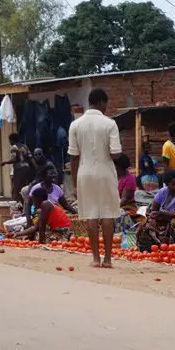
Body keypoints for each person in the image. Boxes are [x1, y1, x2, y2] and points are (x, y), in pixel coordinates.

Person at [68, 87, 121, 268]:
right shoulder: (110, 124)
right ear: (100, 102)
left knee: (91, 214)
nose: (107, 107)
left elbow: (73, 156)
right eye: (106, 104)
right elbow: (115, 153)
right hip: (105, 172)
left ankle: (95, 258)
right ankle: (107, 259)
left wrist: (75, 183)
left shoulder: (75, 125)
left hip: (84, 172)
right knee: (107, 214)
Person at [2, 133, 35, 202]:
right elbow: (31, 158)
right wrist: (36, 168)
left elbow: (14, 159)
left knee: (17, 188)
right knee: (26, 188)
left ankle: (19, 205)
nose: (9, 142)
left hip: (19, 170)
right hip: (27, 170)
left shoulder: (14, 147)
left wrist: (5, 162)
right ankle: (26, 204)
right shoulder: (25, 146)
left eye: (9, 140)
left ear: (12, 140)